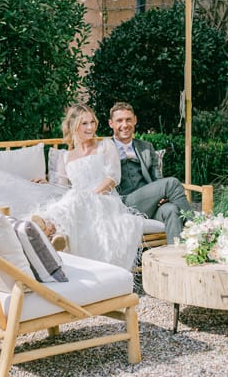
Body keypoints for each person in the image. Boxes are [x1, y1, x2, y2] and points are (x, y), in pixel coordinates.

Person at [40, 103, 144, 270]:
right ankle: (54, 231)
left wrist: (90, 196)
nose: (90, 127)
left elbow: (113, 178)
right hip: (78, 204)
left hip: (105, 199)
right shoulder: (65, 157)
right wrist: (46, 182)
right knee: (72, 197)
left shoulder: (105, 145)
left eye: (92, 122)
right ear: (73, 126)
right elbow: (61, 188)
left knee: (76, 197)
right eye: (84, 123)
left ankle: (52, 228)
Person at [108, 102, 194, 244]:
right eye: (119, 120)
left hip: (149, 204)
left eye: (128, 119)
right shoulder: (105, 148)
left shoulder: (146, 147)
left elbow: (157, 179)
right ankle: (197, 226)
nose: (125, 124)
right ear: (111, 123)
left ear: (135, 120)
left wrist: (161, 197)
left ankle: (175, 256)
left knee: (172, 210)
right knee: (172, 182)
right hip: (125, 203)